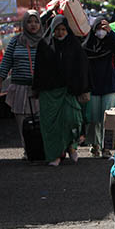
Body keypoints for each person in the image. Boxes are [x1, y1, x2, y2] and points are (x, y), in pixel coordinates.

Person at [32, 16, 91, 166]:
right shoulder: (44, 45)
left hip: (69, 91)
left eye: (63, 29)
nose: (60, 33)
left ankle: (71, 146)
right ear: (51, 29)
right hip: (49, 92)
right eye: (57, 30)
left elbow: (82, 68)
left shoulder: (74, 45)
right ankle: (55, 155)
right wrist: (36, 89)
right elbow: (38, 69)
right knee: (51, 126)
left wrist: (83, 88)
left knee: (72, 120)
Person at [0, 10, 43, 158]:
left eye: (35, 21)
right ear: (24, 24)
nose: (33, 25)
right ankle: (27, 150)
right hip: (20, 87)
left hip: (40, 89)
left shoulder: (45, 41)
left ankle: (40, 149)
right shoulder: (16, 41)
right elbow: (6, 61)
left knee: (41, 121)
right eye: (29, 21)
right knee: (22, 122)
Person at [82, 16, 115, 157]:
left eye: (103, 29)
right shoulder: (87, 46)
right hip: (93, 87)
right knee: (93, 120)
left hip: (109, 86)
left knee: (107, 121)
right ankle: (94, 145)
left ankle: (106, 148)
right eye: (98, 29)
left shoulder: (110, 43)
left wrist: (111, 33)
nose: (101, 32)